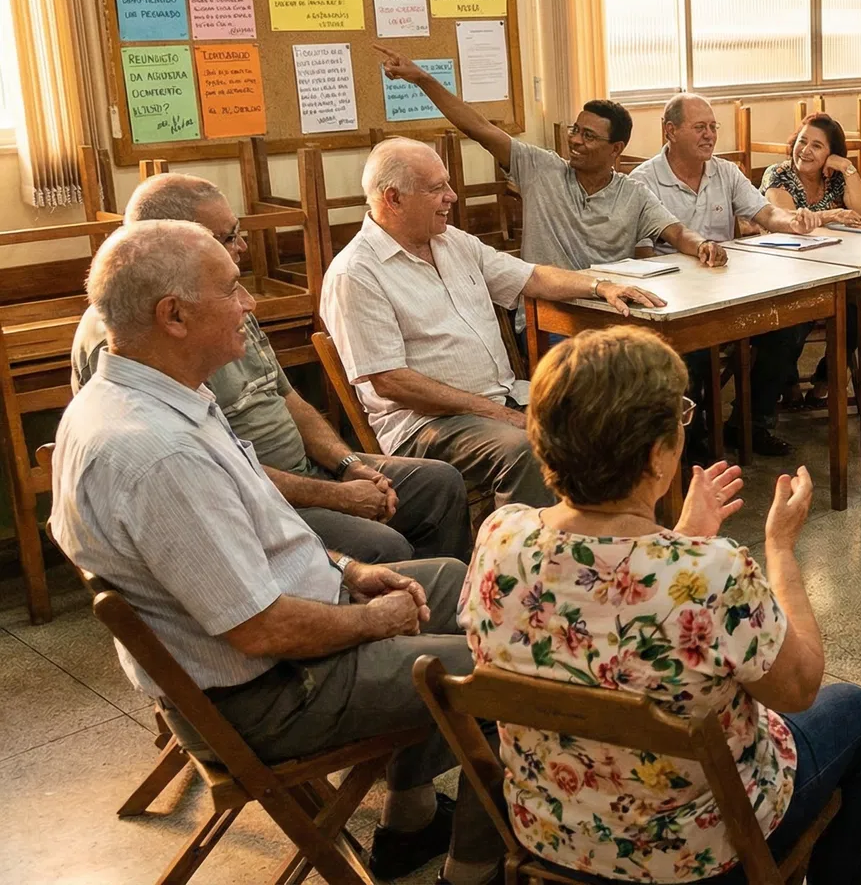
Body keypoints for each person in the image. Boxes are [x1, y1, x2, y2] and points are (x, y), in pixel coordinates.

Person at [50, 220, 502, 885]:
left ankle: (409, 818)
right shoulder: (158, 453)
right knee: (502, 672)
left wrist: (350, 569)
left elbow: (262, 535)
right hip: (267, 695)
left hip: (272, 649)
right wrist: (372, 621)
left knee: (455, 584)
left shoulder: (151, 395)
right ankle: (473, 871)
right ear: (173, 315)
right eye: (231, 289)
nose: (249, 303)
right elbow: (261, 629)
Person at [460, 326, 861, 883]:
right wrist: (779, 548)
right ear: (658, 456)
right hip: (693, 853)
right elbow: (799, 689)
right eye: (680, 418)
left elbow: (601, 612)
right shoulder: (714, 573)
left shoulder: (500, 537)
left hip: (554, 835)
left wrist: (680, 539)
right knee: (853, 711)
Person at [70, 173, 469, 564]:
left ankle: (429, 592)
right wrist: (335, 496)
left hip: (307, 475)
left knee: (439, 484)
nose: (242, 246)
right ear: (174, 244)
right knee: (384, 545)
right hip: (250, 501)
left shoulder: (222, 301)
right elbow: (219, 469)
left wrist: (347, 465)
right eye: (228, 237)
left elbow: (286, 397)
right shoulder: (141, 336)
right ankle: (398, 595)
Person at [320, 138, 660, 512]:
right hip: (426, 426)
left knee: (618, 411)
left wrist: (600, 285)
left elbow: (532, 277)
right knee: (526, 449)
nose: (452, 196)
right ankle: (517, 548)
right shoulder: (356, 273)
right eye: (436, 188)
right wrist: (495, 412)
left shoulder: (452, 242)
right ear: (393, 199)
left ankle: (609, 538)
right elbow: (392, 382)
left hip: (502, 397)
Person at [374, 45, 728, 272]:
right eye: (575, 130)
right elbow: (478, 127)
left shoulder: (633, 193)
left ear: (615, 149)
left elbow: (676, 231)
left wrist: (702, 246)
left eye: (589, 136)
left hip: (611, 309)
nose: (575, 141)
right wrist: (423, 79)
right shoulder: (540, 169)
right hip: (549, 313)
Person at [631, 93, 823, 456]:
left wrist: (793, 222)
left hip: (728, 288)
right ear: (670, 131)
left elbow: (766, 213)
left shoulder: (724, 171)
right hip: (676, 296)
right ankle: (692, 440)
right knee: (693, 349)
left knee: (790, 323)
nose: (709, 135)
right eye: (699, 127)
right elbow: (641, 253)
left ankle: (751, 423)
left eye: (713, 127)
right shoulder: (644, 181)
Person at [763, 112, 861, 408]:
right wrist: (833, 214)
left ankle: (827, 377)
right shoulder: (778, 174)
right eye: (802, 142)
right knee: (795, 321)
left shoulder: (835, 178)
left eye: (817, 146)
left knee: (858, 311)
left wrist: (847, 168)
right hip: (785, 271)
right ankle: (786, 381)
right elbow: (788, 219)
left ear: (831, 153)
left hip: (832, 268)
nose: (805, 150)